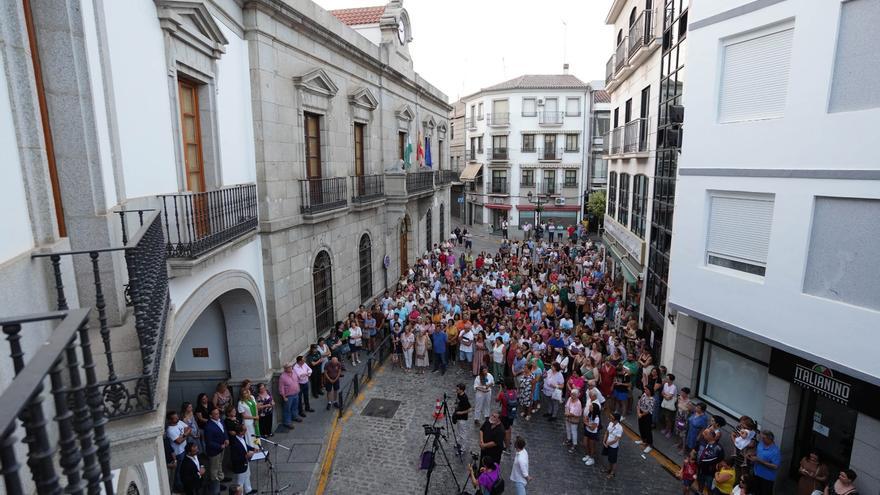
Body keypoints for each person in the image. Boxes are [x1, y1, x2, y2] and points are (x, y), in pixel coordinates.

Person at [203, 407, 228, 495]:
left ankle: (219, 483)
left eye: (218, 413)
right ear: (210, 415)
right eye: (216, 414)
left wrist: (226, 439)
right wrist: (219, 446)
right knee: (214, 470)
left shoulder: (220, 421)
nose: (218, 415)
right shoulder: (208, 427)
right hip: (214, 451)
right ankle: (215, 490)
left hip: (222, 448)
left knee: (219, 465)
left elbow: (224, 431)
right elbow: (209, 442)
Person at [166, 410, 191, 492]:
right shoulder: (170, 430)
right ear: (170, 420)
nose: (177, 419)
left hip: (184, 449)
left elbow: (189, 429)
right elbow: (178, 441)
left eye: (177, 417)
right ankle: (179, 488)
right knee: (177, 472)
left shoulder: (179, 422)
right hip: (178, 453)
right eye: (175, 418)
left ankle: (185, 484)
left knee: (184, 469)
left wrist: (183, 436)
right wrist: (185, 434)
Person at [749, 431, 780, 495]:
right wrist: (752, 454)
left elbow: (775, 466)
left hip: (767, 478)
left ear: (770, 439)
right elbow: (758, 453)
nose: (761, 439)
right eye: (761, 438)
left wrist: (760, 461)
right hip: (756, 474)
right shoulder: (760, 444)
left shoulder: (775, 451)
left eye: (763, 438)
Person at [229, 424, 256, 495]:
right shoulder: (234, 443)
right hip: (240, 465)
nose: (246, 431)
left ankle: (248, 490)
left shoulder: (242, 437)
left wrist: (253, 449)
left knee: (247, 475)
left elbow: (245, 446)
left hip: (245, 462)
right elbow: (234, 458)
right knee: (240, 482)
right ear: (240, 432)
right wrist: (245, 457)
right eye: (245, 430)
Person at [496, 377, 519, 453]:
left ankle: (507, 447)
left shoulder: (503, 394)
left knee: (505, 430)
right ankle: (508, 441)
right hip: (512, 414)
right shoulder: (515, 392)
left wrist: (500, 389)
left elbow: (496, 400)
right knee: (509, 428)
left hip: (505, 414)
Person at [278, 363, 301, 430]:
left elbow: (297, 381)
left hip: (296, 394)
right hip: (288, 396)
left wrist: (298, 389)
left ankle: (295, 416)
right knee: (287, 409)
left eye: (291, 367)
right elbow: (281, 388)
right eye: (289, 367)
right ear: (285, 369)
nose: (291, 368)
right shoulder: (282, 377)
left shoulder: (294, 372)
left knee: (295, 407)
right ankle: (287, 422)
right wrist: (284, 397)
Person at [602, 412, 623, 479]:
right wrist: (604, 440)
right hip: (607, 444)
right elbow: (607, 432)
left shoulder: (619, 428)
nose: (610, 418)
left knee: (613, 460)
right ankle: (609, 469)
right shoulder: (610, 423)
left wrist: (608, 444)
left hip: (613, 446)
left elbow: (616, 439)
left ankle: (612, 472)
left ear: (616, 420)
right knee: (609, 458)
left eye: (611, 418)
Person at [635, 385, 654, 454]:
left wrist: (641, 414)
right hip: (640, 413)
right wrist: (638, 412)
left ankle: (650, 445)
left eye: (646, 390)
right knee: (641, 427)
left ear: (650, 391)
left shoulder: (652, 399)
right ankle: (643, 440)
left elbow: (648, 410)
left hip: (647, 416)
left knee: (647, 430)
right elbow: (639, 403)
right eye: (645, 389)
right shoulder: (644, 395)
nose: (645, 391)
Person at [581, 401, 601, 466]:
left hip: (592, 433)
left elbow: (592, 428)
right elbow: (584, 420)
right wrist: (588, 424)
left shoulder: (597, 418)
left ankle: (592, 458)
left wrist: (587, 424)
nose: (589, 406)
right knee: (585, 444)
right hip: (587, 431)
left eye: (591, 406)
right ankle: (588, 455)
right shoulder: (590, 413)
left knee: (591, 446)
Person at [563, 388, 583, 453]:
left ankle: (574, 444)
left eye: (574, 395)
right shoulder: (569, 399)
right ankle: (569, 439)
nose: (572, 396)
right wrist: (567, 413)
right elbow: (566, 406)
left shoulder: (578, 403)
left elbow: (576, 413)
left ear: (577, 395)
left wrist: (567, 414)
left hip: (573, 419)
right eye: (571, 394)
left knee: (573, 431)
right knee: (568, 429)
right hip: (568, 417)